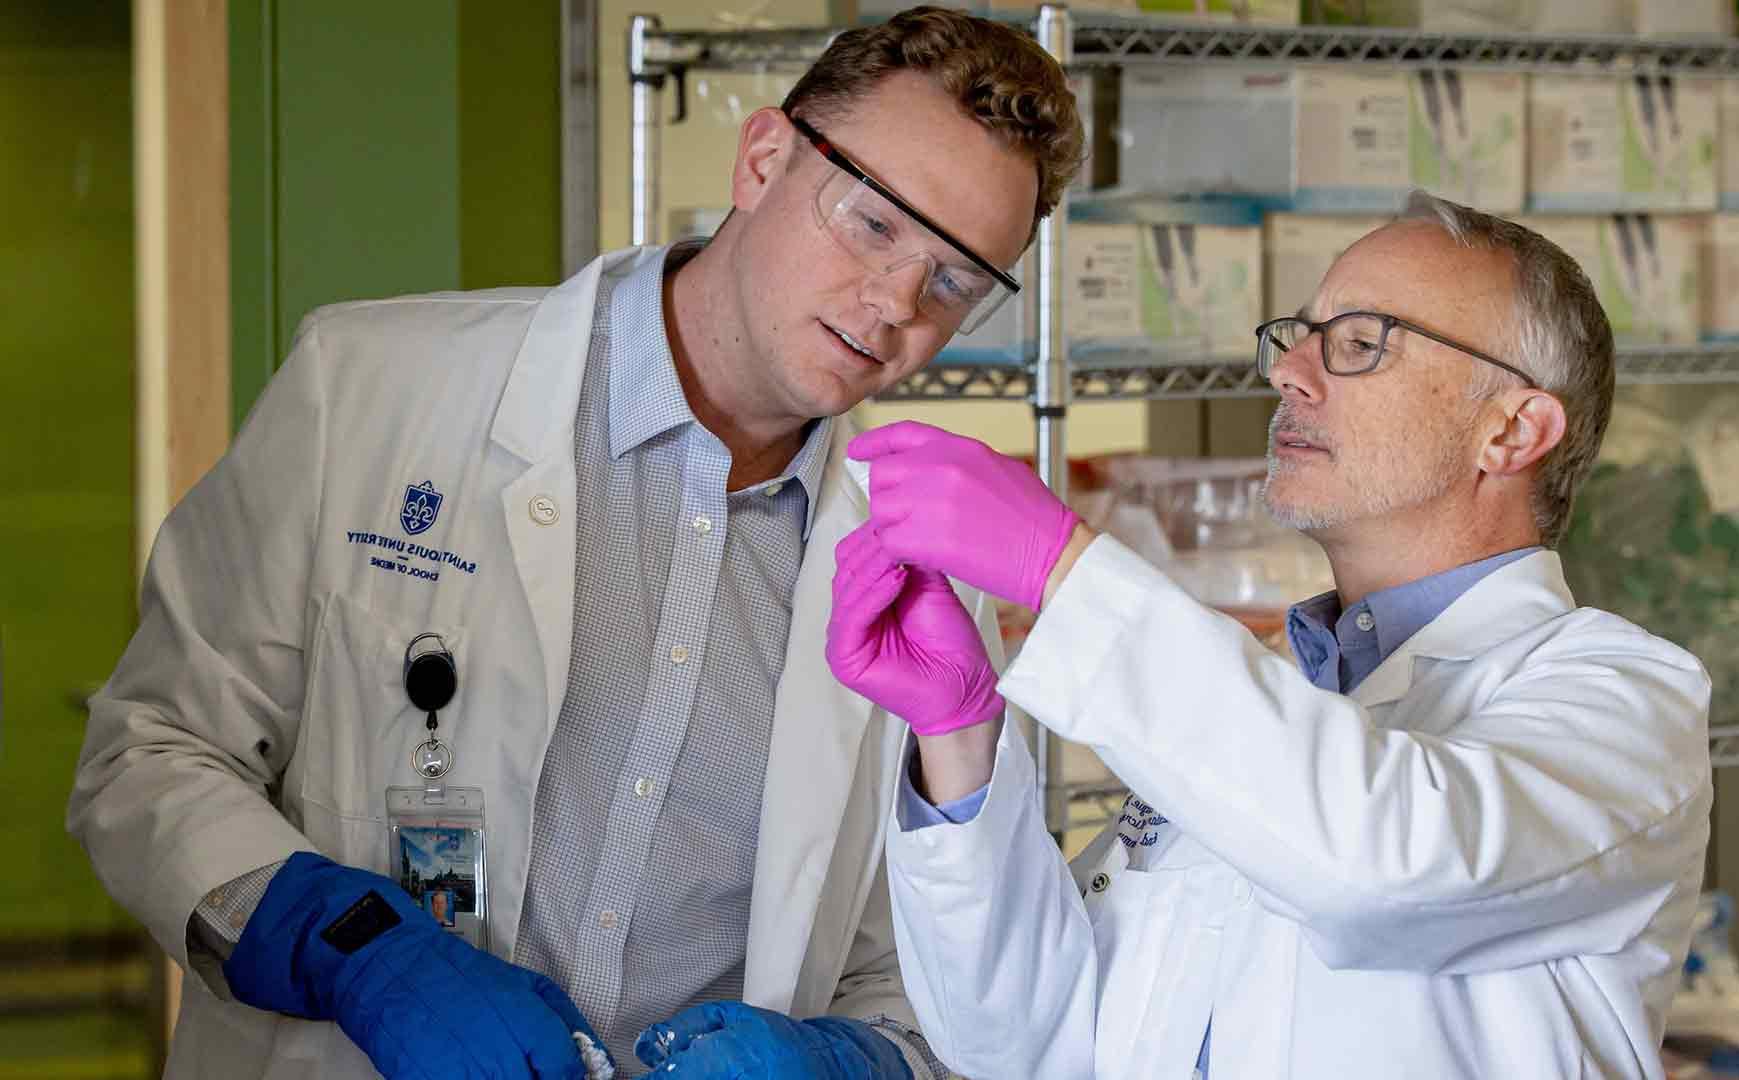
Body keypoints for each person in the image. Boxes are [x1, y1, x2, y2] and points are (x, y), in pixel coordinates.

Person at [66, 7, 1083, 1078]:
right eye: (872, 223)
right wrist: (348, 951)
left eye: (956, 279)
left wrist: (850, 1060)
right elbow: (150, 756)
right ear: (764, 157)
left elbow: (926, 967)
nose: (895, 305)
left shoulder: (922, 591)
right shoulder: (368, 389)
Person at [818, 192, 1713, 1077]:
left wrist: (1063, 572)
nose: (1290, 374)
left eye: (1360, 344)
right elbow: (1022, 1040)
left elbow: (1384, 867)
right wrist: (960, 740)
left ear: (1513, 430)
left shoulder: (1624, 703)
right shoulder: (1262, 703)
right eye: (1299, 338)